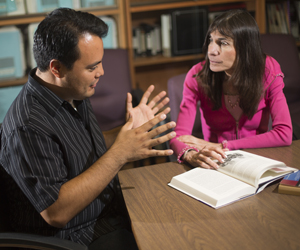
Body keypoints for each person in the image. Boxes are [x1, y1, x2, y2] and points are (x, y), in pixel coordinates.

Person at [0, 8, 176, 249]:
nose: (101, 73)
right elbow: (56, 211)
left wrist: (130, 132)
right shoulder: (27, 126)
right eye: (92, 67)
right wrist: (121, 152)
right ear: (57, 68)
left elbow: (80, 147)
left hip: (108, 209)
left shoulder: (71, 90)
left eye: (100, 63)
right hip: (74, 236)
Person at [169, 9, 292, 170]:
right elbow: (178, 137)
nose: (212, 50)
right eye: (211, 40)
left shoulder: (268, 70)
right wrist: (190, 154)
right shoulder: (197, 76)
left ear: (245, 49)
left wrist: (222, 145)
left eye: (223, 43)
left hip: (258, 159)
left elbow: (284, 134)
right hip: (217, 162)